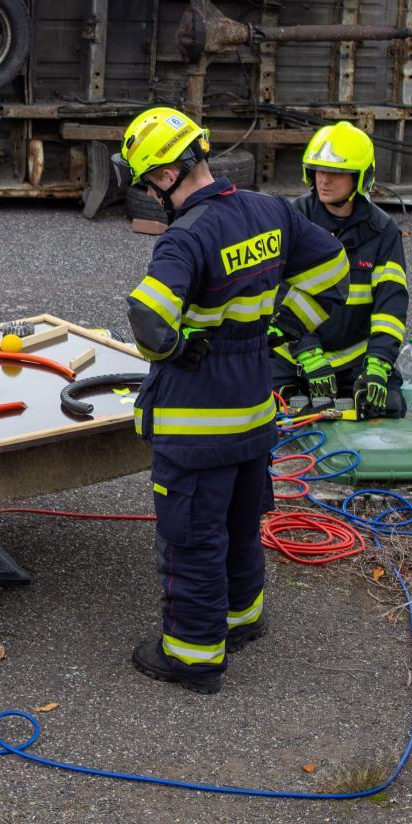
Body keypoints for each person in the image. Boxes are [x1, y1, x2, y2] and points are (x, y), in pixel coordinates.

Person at [119, 107, 348, 694]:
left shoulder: (187, 236)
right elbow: (331, 269)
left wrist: (176, 348)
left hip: (196, 422)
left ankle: (193, 656)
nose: (150, 193)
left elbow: (149, 316)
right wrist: (277, 332)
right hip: (253, 410)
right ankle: (242, 620)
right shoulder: (268, 210)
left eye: (149, 181)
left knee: (193, 535)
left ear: (167, 175)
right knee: (240, 520)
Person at [272, 122, 410, 419]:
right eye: (318, 171)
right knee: (266, 408)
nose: (324, 180)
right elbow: (276, 292)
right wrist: (307, 352)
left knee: (390, 405)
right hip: (294, 354)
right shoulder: (293, 219)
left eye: (335, 172)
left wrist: (378, 364)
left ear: (361, 179)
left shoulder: (383, 231)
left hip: (353, 360)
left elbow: (391, 305)